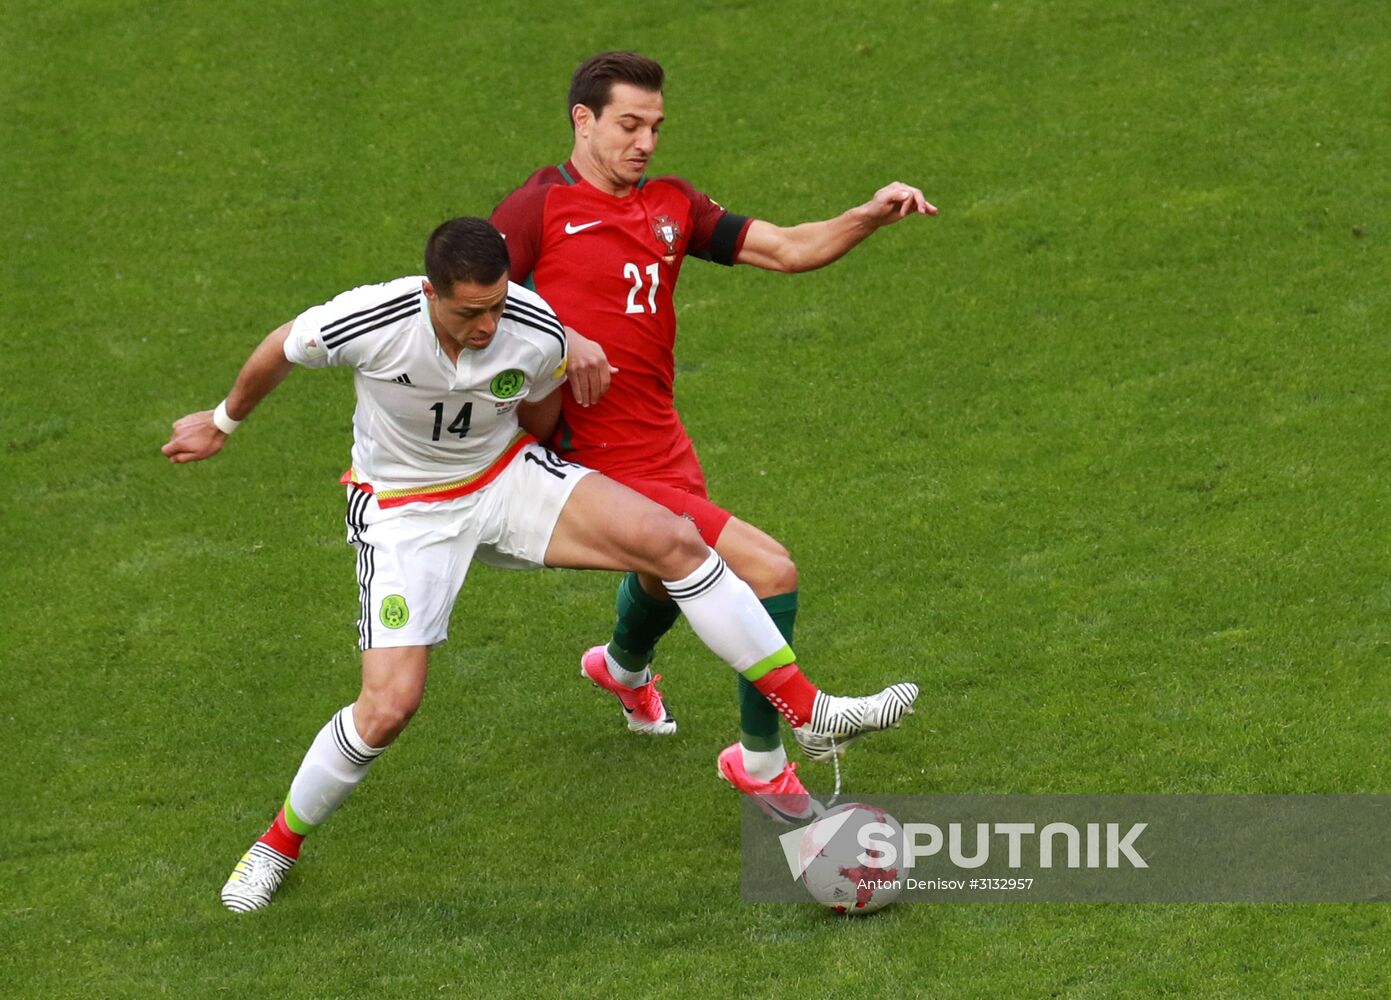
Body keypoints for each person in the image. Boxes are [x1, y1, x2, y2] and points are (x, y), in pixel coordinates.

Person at [162, 217, 917, 912]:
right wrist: (225, 420)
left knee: (673, 542)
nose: (487, 325)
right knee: (389, 707)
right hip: (403, 515)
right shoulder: (373, 318)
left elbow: (542, 413)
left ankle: (807, 709)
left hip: (502, 478)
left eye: (497, 305)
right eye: (468, 313)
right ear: (430, 294)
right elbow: (280, 345)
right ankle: (276, 845)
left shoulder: (533, 329)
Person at [489, 52, 936, 807]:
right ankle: (762, 762)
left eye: (655, 127)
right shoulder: (536, 210)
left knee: (670, 572)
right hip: (590, 462)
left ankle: (621, 669)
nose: (645, 142)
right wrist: (558, 341)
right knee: (766, 573)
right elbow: (460, 307)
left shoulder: (672, 204)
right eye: (628, 125)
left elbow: (788, 249)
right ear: (583, 120)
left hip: (661, 441)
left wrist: (866, 214)